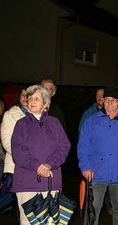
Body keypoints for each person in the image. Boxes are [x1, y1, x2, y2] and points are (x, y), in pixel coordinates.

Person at [78, 86, 118, 225]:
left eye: (113, 100)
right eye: (106, 100)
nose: (109, 103)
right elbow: (83, 146)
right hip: (96, 173)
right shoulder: (92, 121)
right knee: (92, 211)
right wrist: (85, 166)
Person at [12, 84, 71, 225]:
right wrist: (37, 167)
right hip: (27, 183)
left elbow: (64, 146)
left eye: (36, 99)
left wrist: (49, 164)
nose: (32, 101)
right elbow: (18, 151)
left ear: (45, 103)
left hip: (51, 182)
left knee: (51, 222)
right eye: (30, 98)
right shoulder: (21, 124)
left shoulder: (54, 123)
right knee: (27, 222)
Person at [0, 86, 28, 214]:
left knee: (29, 205)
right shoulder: (9, 114)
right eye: (22, 95)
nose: (25, 98)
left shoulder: (37, 114)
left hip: (34, 167)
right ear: (19, 97)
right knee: (7, 198)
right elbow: (6, 141)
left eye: (28, 95)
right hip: (15, 165)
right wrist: (23, 157)